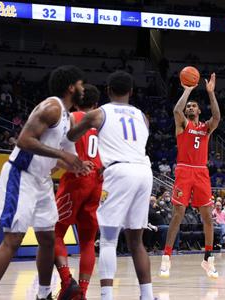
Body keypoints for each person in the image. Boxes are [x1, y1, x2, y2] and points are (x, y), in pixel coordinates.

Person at [0, 65, 87, 300]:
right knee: (13, 239)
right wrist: (62, 156)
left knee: (48, 238)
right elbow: (24, 140)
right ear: (71, 87)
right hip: (21, 175)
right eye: (81, 85)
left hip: (42, 181)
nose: (84, 89)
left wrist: (79, 166)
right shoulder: (51, 107)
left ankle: (43, 293)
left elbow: (67, 156)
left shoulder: (67, 117)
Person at [67, 70, 155, 300]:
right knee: (136, 241)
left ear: (107, 90)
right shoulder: (142, 116)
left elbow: (71, 136)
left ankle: (106, 296)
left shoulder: (99, 113)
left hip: (118, 171)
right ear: (131, 92)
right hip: (144, 171)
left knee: (108, 238)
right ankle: (147, 295)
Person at [160, 73, 221, 279]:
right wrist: (187, 89)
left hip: (201, 171)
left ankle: (208, 259)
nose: (190, 108)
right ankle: (166, 258)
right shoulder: (183, 125)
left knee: (208, 218)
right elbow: (177, 109)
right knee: (178, 213)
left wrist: (211, 93)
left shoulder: (206, 128)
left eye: (194, 106)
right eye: (189, 106)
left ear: (200, 110)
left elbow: (217, 118)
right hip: (185, 170)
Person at [54, 84, 103, 300]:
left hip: (76, 177)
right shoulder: (103, 123)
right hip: (98, 181)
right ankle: (80, 293)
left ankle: (67, 282)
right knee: (87, 241)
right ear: (96, 105)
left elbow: (59, 150)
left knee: (53, 232)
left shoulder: (72, 117)